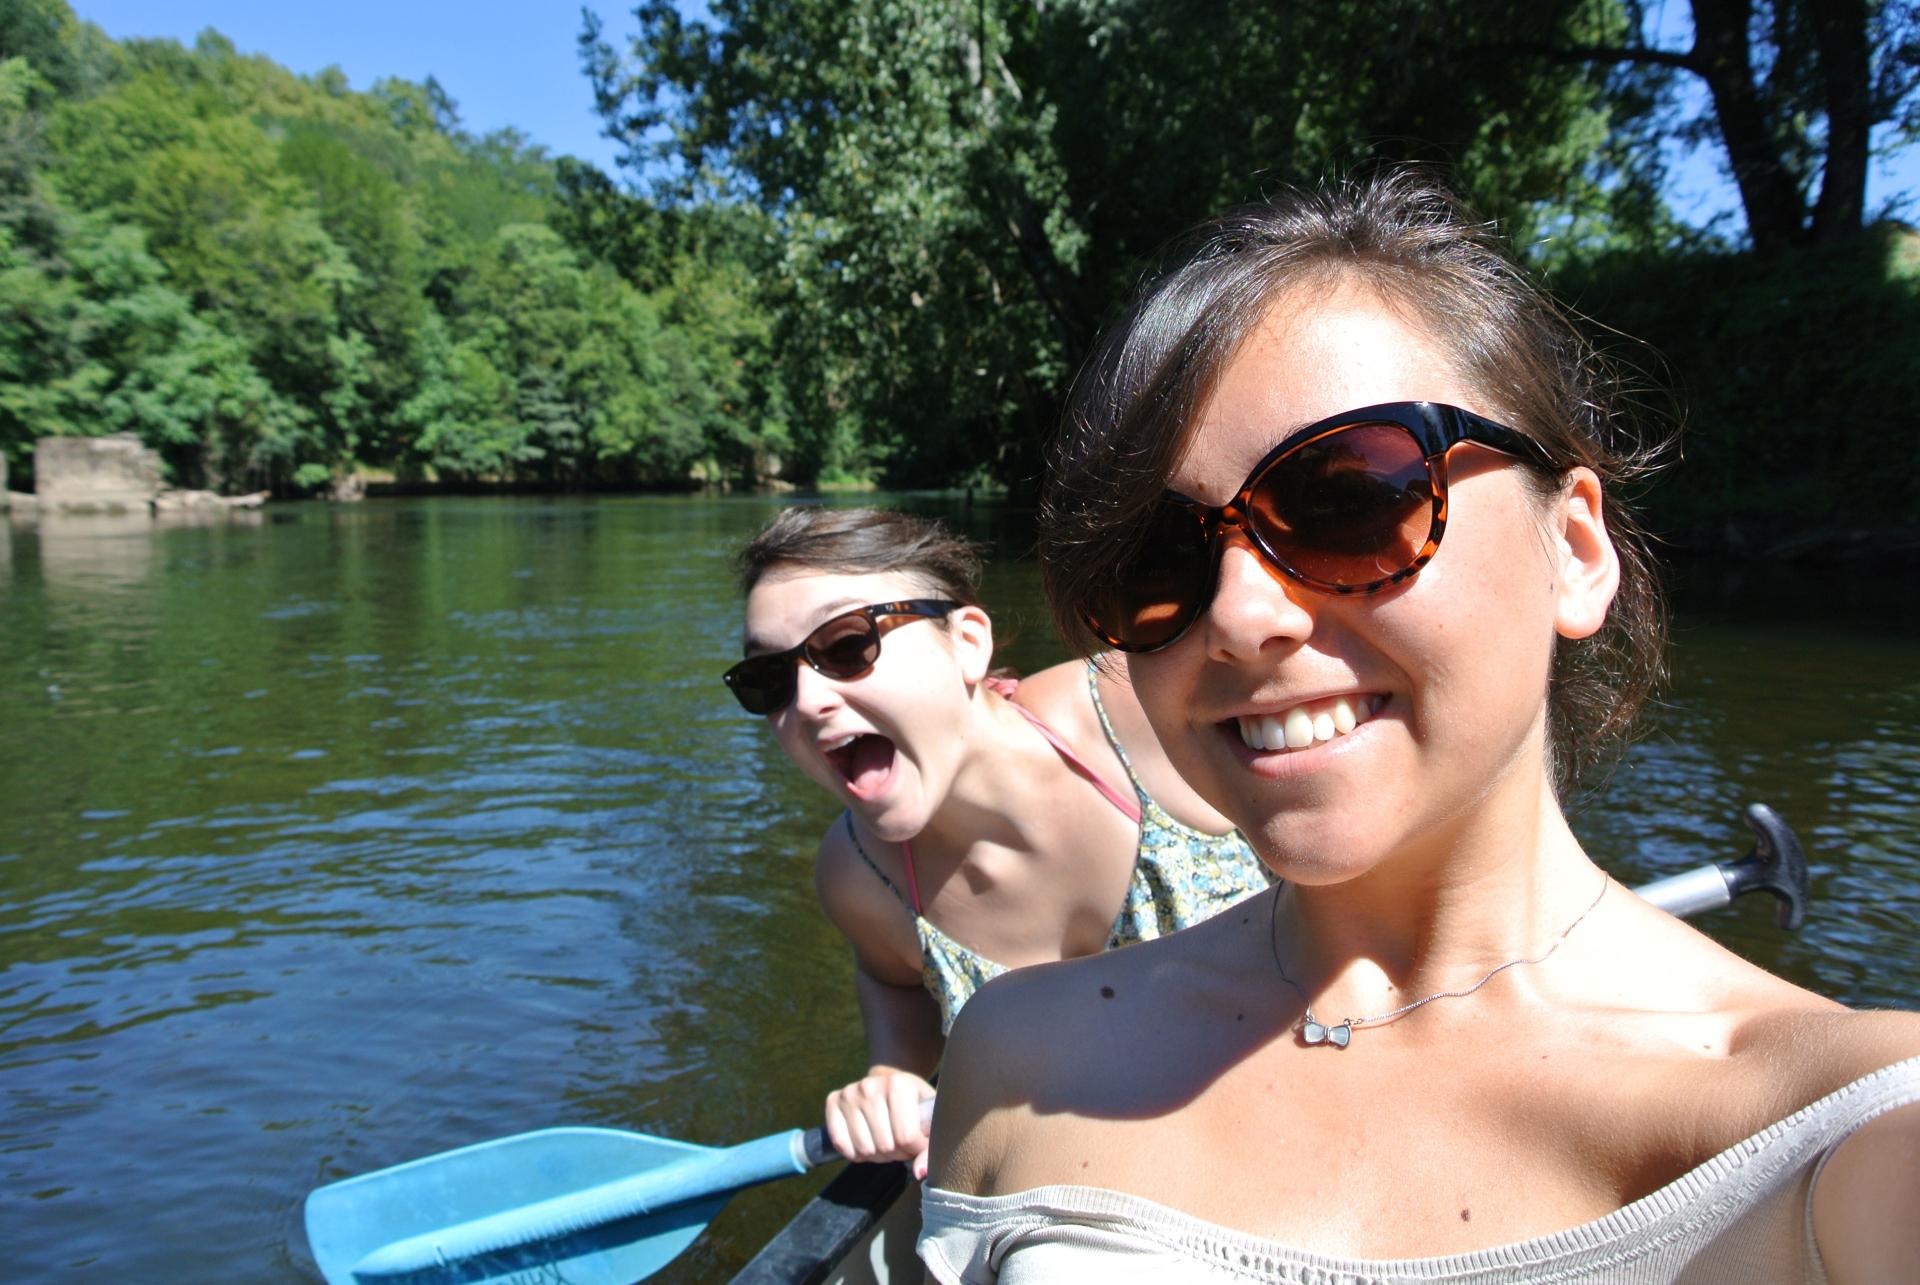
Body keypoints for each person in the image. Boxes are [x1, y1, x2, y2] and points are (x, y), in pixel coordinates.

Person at [922, 171, 1920, 1282]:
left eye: (1348, 496)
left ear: (1577, 551)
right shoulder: (1016, 1055)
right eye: (1156, 559)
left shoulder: (1854, 1133)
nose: (1239, 616)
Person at [724, 505, 1272, 1177]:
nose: (805, 701)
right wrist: (892, 1071)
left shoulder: (1140, 708)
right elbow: (891, 976)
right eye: (769, 681)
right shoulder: (859, 873)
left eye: (846, 645)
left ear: (968, 642)